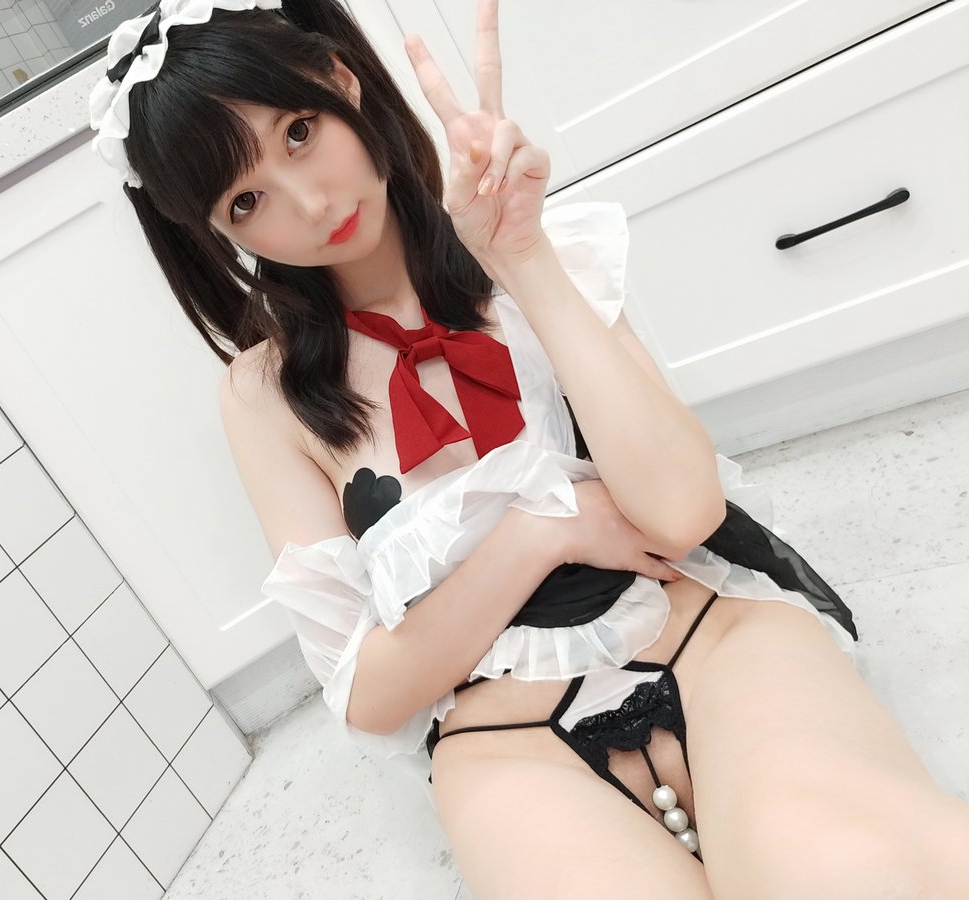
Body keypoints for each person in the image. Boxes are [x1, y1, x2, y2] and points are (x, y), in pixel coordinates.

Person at [88, 0, 969, 896]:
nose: (310, 203)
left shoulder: (540, 244)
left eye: (301, 133)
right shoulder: (266, 397)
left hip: (708, 635)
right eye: (247, 200)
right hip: (506, 741)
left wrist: (520, 256)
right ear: (220, 232)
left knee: (859, 871)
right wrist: (545, 530)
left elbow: (683, 509)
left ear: (341, 81)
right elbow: (367, 693)